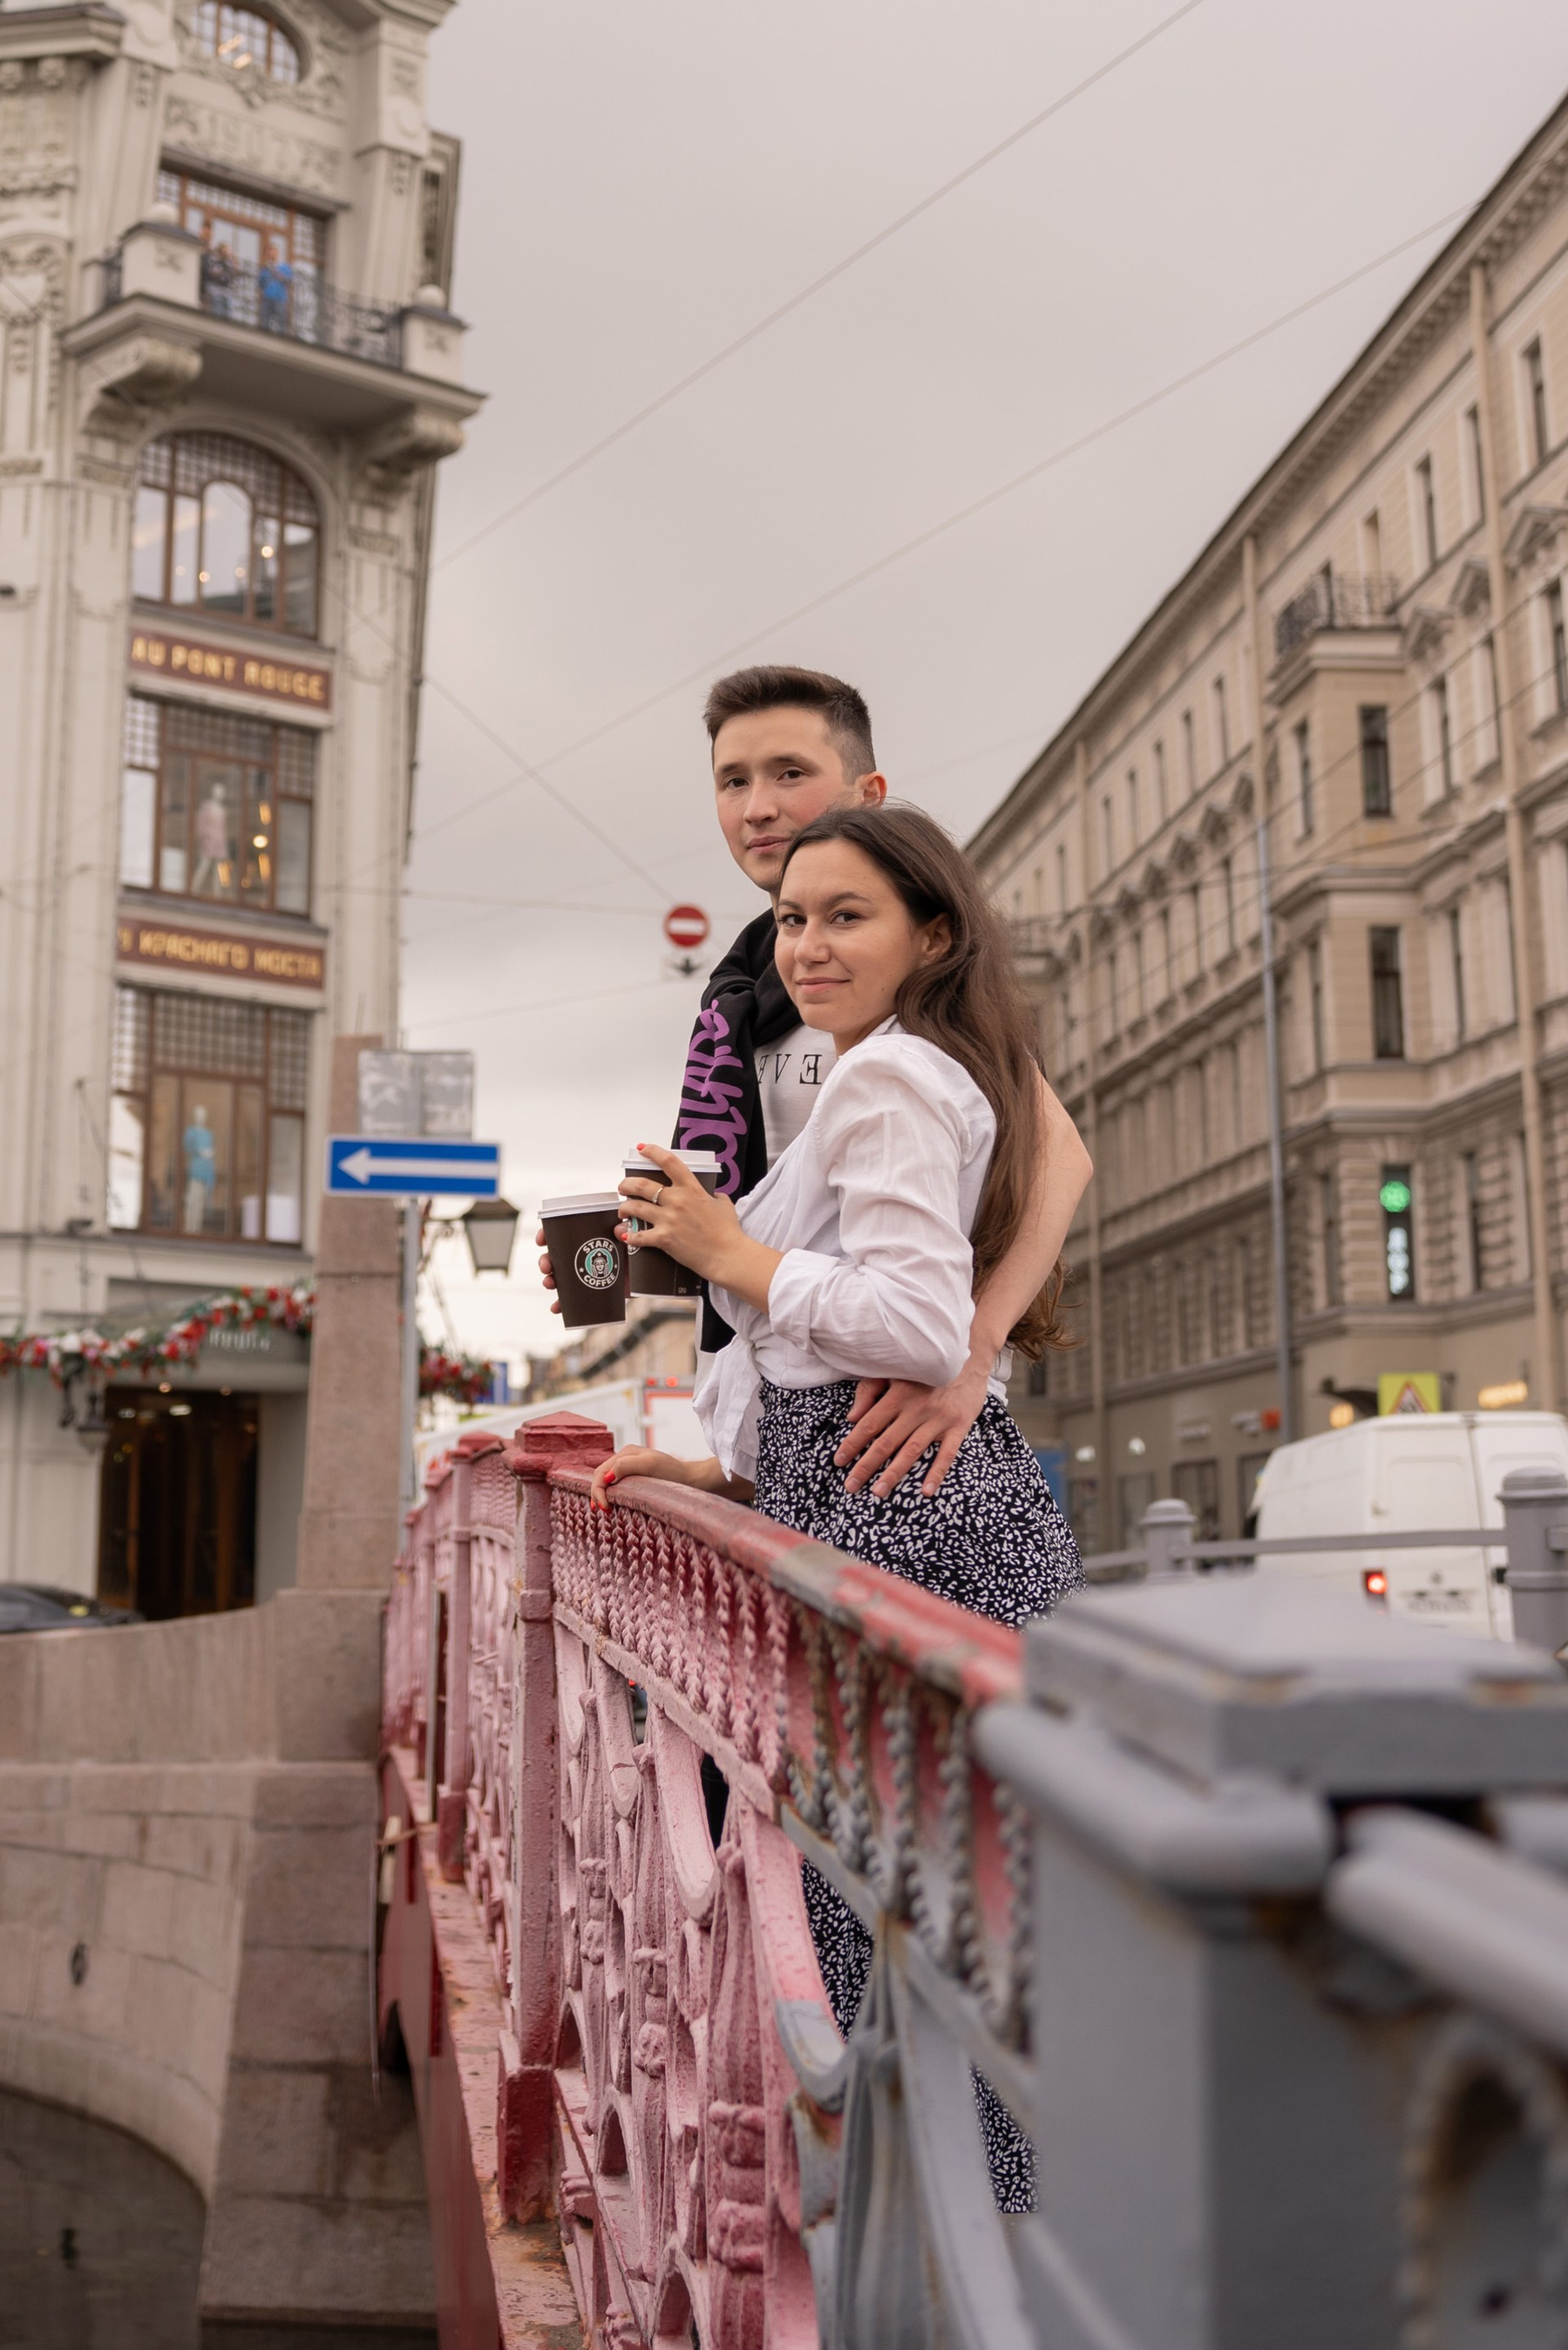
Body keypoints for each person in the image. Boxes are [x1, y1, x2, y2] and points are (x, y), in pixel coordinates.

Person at [596, 801, 1082, 2213]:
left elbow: (918, 1326)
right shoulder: (902, 1070)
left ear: (933, 936)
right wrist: (733, 1474)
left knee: (890, 1900)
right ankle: (986, 2224)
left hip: (904, 1519)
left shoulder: (889, 1081)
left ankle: (963, 2236)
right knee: (946, 1898)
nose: (807, 944)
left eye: (847, 916)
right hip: (895, 1503)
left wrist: (729, 1248)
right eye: (795, 918)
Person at [674, 667, 1088, 1503]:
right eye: (733, 780)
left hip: (901, 1424)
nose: (757, 806)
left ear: (868, 792)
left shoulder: (897, 990)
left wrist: (970, 1355)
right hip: (805, 1434)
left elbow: (1061, 1159)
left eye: (790, 773)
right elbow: (787, 1217)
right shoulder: (752, 991)